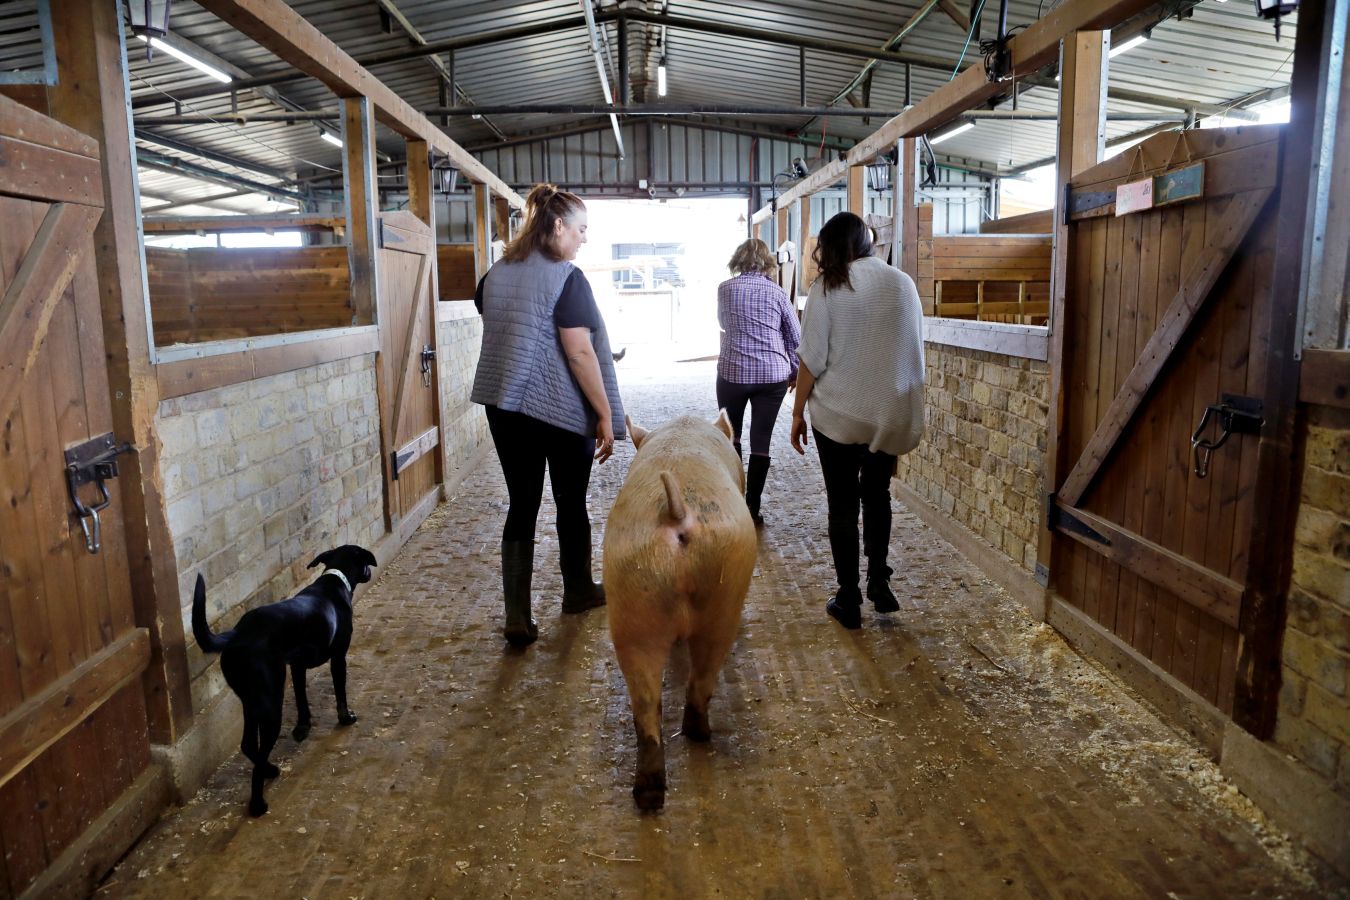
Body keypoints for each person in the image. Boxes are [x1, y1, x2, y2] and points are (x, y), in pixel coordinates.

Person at [471, 183, 626, 648]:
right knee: (570, 502)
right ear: (557, 226)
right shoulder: (567, 277)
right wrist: (603, 414)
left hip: (504, 406)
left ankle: (516, 614)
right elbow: (580, 354)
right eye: (580, 230)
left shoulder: (494, 273)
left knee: (521, 503)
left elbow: (500, 323)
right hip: (557, 409)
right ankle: (577, 590)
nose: (583, 240)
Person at [789, 212, 924, 630]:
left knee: (843, 506)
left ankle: (848, 600)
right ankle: (879, 582)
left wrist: (796, 413)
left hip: (840, 416)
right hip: (891, 412)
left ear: (831, 247)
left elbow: (811, 360)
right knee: (878, 494)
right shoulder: (903, 284)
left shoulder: (827, 288)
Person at [715, 238, 801, 525]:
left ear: (737, 260)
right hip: (771, 375)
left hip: (733, 373)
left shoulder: (725, 289)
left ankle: (736, 503)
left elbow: (723, 323)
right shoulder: (777, 293)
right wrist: (794, 369)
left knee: (732, 438)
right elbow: (795, 337)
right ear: (768, 263)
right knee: (761, 441)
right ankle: (752, 509)